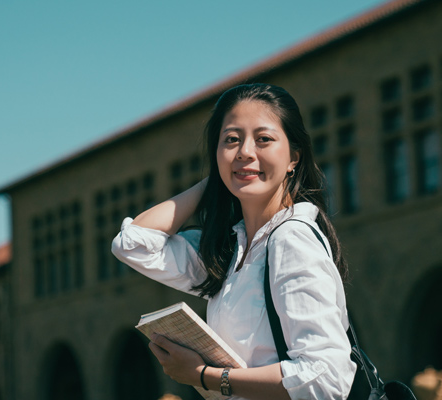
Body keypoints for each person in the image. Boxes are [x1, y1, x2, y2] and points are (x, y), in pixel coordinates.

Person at [112, 83, 357, 400]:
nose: (245, 151)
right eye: (231, 140)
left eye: (264, 139)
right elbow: (133, 243)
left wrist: (205, 376)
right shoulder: (230, 250)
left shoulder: (290, 240)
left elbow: (325, 379)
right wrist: (220, 177)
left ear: (294, 157)